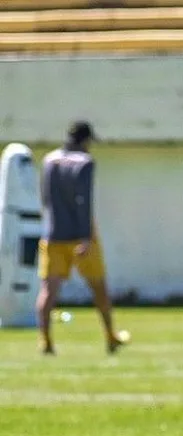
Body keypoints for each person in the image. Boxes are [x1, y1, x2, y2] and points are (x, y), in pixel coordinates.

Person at [37, 120, 127, 355]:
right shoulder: (85, 163)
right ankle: (110, 336)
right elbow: (83, 200)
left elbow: (46, 198)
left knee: (48, 290)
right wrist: (86, 237)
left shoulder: (49, 160)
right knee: (99, 287)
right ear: (85, 140)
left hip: (53, 234)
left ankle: (45, 341)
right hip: (80, 235)